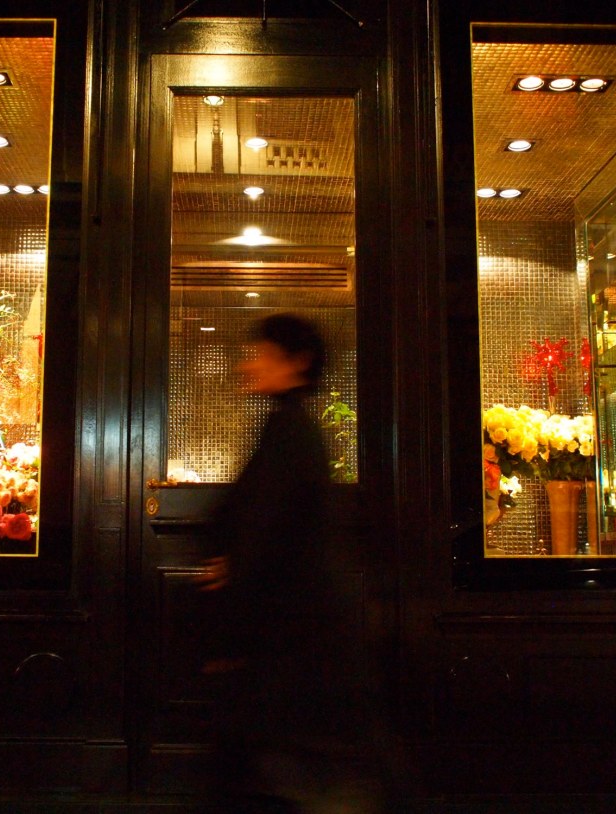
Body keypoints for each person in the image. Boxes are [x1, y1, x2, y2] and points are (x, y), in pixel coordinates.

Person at [195, 314, 384, 813]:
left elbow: (265, 533)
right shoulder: (288, 425)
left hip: (290, 637)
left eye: (262, 354)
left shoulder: (289, 431)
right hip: (298, 636)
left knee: (288, 771)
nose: (248, 364)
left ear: (297, 362)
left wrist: (232, 627)